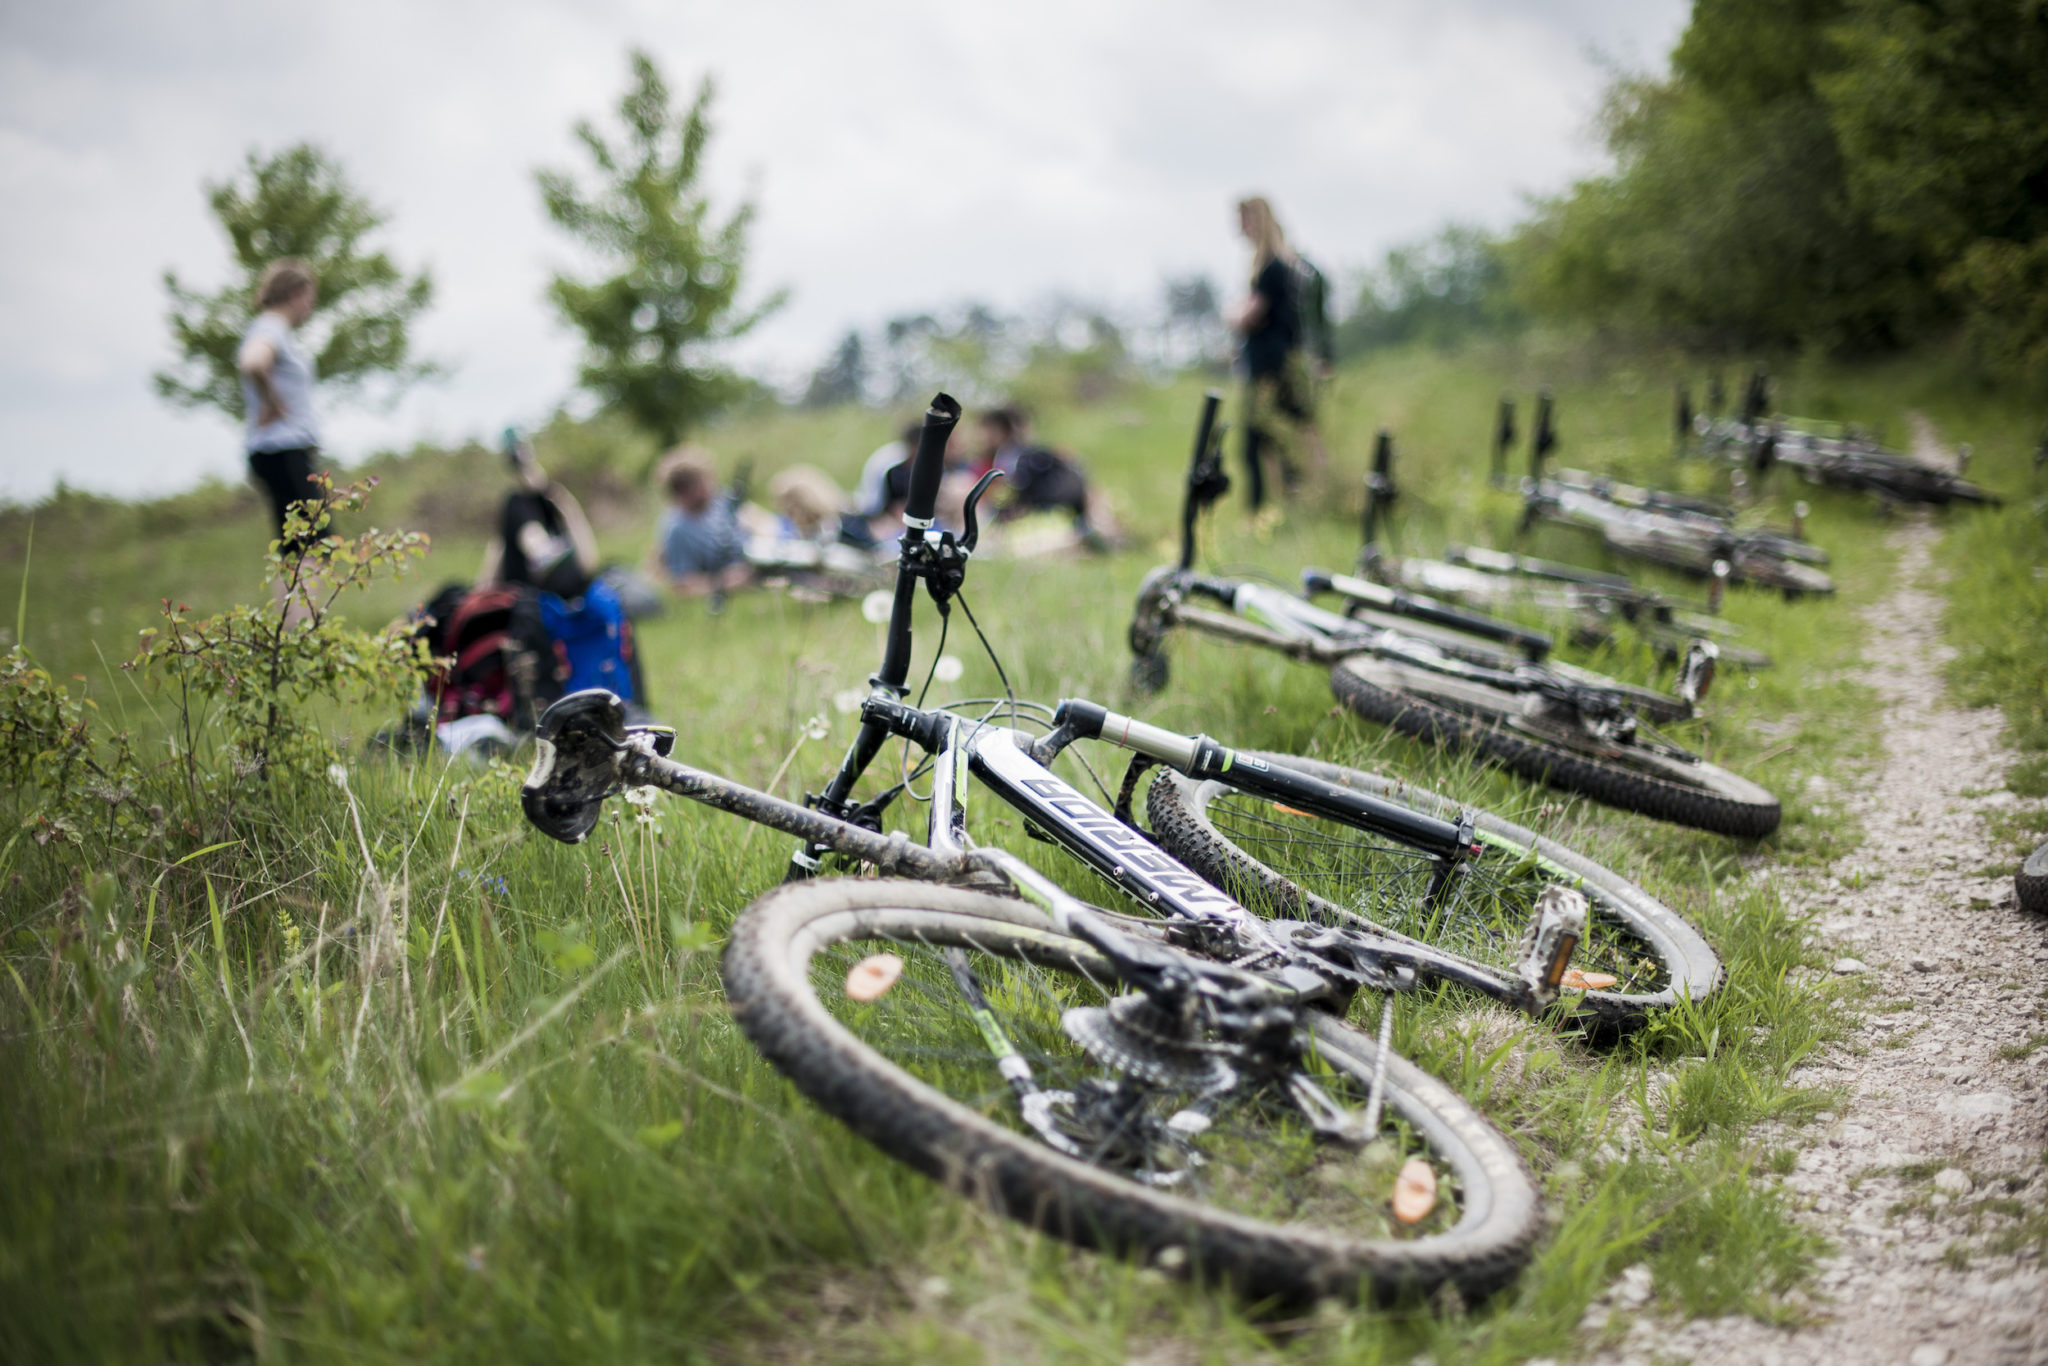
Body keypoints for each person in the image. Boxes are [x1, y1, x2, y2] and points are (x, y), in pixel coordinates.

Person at [1227, 196, 1328, 510]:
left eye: (1244, 220)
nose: (1239, 229)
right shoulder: (1280, 266)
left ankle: (1261, 511)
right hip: (1280, 365)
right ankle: (1293, 504)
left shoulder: (1273, 268)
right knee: (1284, 439)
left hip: (1271, 369)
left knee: (1259, 443)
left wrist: (1232, 313)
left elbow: (1249, 315)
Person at [238, 260, 324, 553]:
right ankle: (306, 602)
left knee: (292, 548)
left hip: (275, 450)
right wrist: (275, 404)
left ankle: (291, 601)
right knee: (313, 548)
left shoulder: (270, 329)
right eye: (309, 298)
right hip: (284, 449)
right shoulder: (271, 327)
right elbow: (253, 362)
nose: (309, 308)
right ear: (295, 294)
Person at [973, 405, 1119, 548]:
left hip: (1044, 515)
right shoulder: (1035, 453)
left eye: (987, 431)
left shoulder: (1012, 456)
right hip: (1063, 513)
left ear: (1002, 431)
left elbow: (1013, 493)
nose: (982, 438)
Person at [479, 428, 600, 599]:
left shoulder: (554, 499)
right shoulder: (518, 503)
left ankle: (540, 549)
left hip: (549, 582)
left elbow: (589, 558)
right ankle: (540, 549)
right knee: (516, 502)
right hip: (544, 577)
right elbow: (498, 548)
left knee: (517, 501)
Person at [652, 446, 751, 596]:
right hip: (734, 576)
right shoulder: (678, 529)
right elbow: (683, 585)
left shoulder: (721, 501)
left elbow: (759, 521)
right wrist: (727, 582)